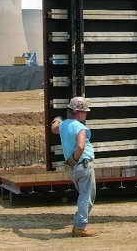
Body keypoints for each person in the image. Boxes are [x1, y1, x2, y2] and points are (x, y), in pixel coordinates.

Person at [51, 96, 97, 237]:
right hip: (83, 164)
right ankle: (80, 227)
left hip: (74, 168)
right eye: (84, 112)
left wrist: (57, 119)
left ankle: (78, 223)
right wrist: (75, 158)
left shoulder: (63, 125)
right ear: (78, 112)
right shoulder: (80, 127)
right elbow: (81, 145)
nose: (86, 114)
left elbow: (53, 128)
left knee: (84, 195)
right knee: (87, 197)